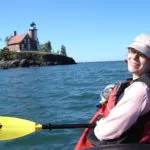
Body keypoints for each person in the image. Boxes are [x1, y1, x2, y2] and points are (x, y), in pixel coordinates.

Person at [91, 34, 150, 145]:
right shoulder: (138, 85)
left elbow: (104, 132)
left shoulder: (140, 90)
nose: (133, 57)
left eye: (142, 54)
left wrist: (99, 122)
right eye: (132, 51)